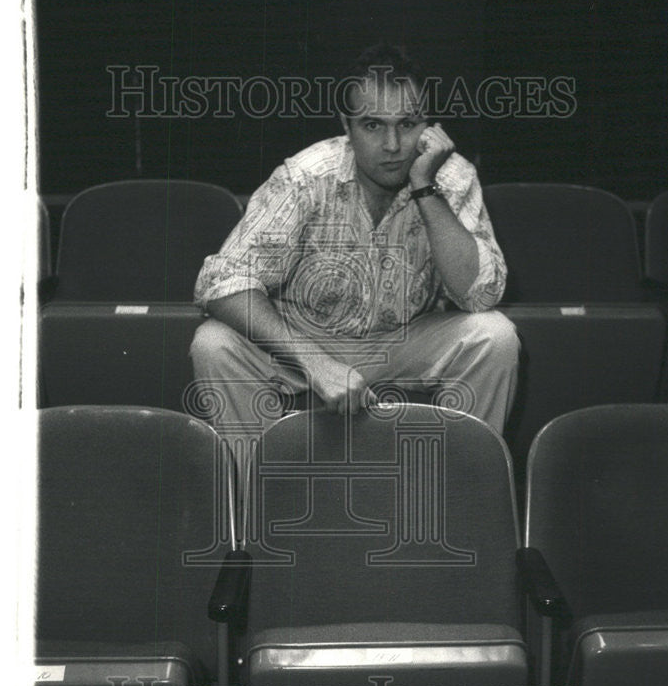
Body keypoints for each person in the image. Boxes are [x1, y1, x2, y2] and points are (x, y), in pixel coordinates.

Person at [190, 43, 519, 481]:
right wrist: (314, 360)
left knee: (494, 337)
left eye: (408, 124)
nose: (393, 145)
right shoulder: (306, 175)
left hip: (405, 338)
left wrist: (425, 189)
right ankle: (259, 505)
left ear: (429, 127)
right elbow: (220, 282)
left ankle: (460, 501)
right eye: (372, 125)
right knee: (214, 343)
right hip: (304, 335)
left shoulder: (453, 178)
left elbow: (481, 294)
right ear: (346, 126)